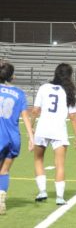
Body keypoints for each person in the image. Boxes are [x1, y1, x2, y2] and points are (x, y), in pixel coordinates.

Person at [31, 63, 76, 206]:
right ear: (69, 76)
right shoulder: (69, 92)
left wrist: (31, 127)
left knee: (38, 159)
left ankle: (42, 192)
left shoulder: (44, 88)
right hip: (59, 130)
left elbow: (35, 110)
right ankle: (59, 197)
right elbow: (73, 117)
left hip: (43, 128)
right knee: (60, 165)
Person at [0, 62, 34, 215]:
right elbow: (25, 117)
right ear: (12, 76)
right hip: (13, 138)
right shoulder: (19, 93)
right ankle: (1, 198)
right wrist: (31, 137)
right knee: (4, 171)